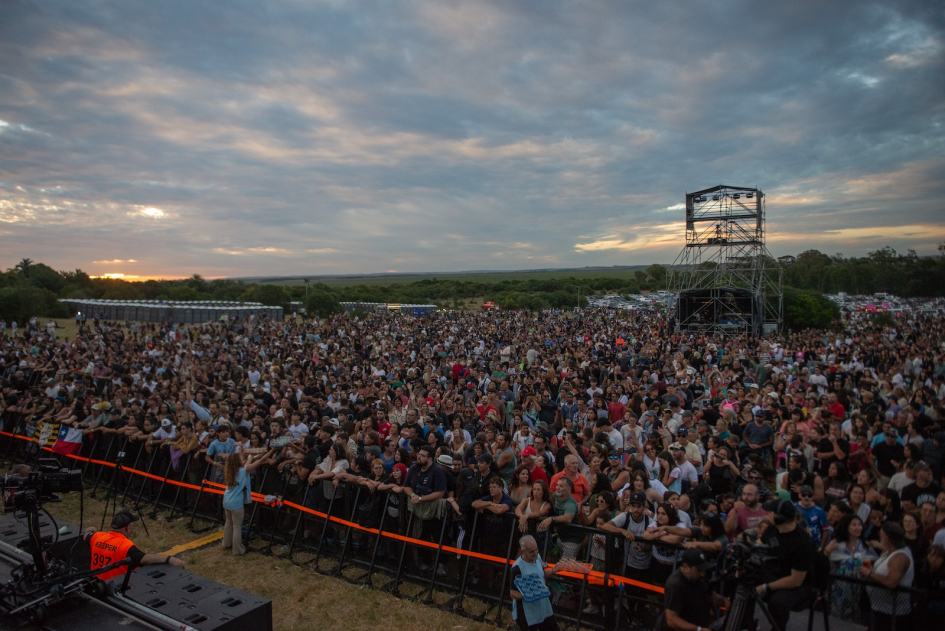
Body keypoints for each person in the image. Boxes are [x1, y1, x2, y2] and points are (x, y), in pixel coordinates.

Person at [755, 499, 815, 631]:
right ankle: (745, 622)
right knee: (740, 582)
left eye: (770, 513)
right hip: (775, 573)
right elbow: (758, 546)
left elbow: (795, 580)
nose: (767, 516)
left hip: (799, 584)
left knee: (777, 603)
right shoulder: (772, 530)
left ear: (778, 517)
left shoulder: (802, 542)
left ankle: (777, 629)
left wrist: (766, 587)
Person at [85, 509, 185, 581]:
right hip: (115, 587)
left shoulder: (97, 537)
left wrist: (91, 530)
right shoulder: (125, 546)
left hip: (96, 583)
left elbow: (86, 534)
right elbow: (144, 558)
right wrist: (169, 559)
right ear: (128, 528)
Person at [861, 521, 915, 631]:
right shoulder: (889, 552)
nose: (879, 537)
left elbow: (891, 582)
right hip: (878, 608)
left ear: (886, 538)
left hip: (892, 613)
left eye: (880, 534)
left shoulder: (900, 557)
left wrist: (869, 573)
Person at [221, 449, 274, 556]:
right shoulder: (243, 470)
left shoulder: (229, 470)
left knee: (228, 523)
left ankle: (226, 543)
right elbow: (261, 461)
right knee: (237, 527)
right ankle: (238, 550)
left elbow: (248, 463)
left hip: (226, 500)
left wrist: (251, 457)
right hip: (236, 503)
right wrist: (272, 450)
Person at [661, 548, 727, 631]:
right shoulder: (675, 584)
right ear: (686, 567)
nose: (702, 573)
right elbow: (671, 620)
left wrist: (724, 601)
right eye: (699, 570)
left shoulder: (698, 578)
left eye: (703, 570)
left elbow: (707, 593)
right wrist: (699, 629)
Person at [509, 534, 561, 631]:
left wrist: (553, 570)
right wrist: (529, 595)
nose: (535, 553)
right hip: (527, 612)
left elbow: (541, 575)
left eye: (536, 549)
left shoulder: (537, 557)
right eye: (531, 551)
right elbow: (513, 593)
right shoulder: (517, 568)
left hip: (543, 606)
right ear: (523, 551)